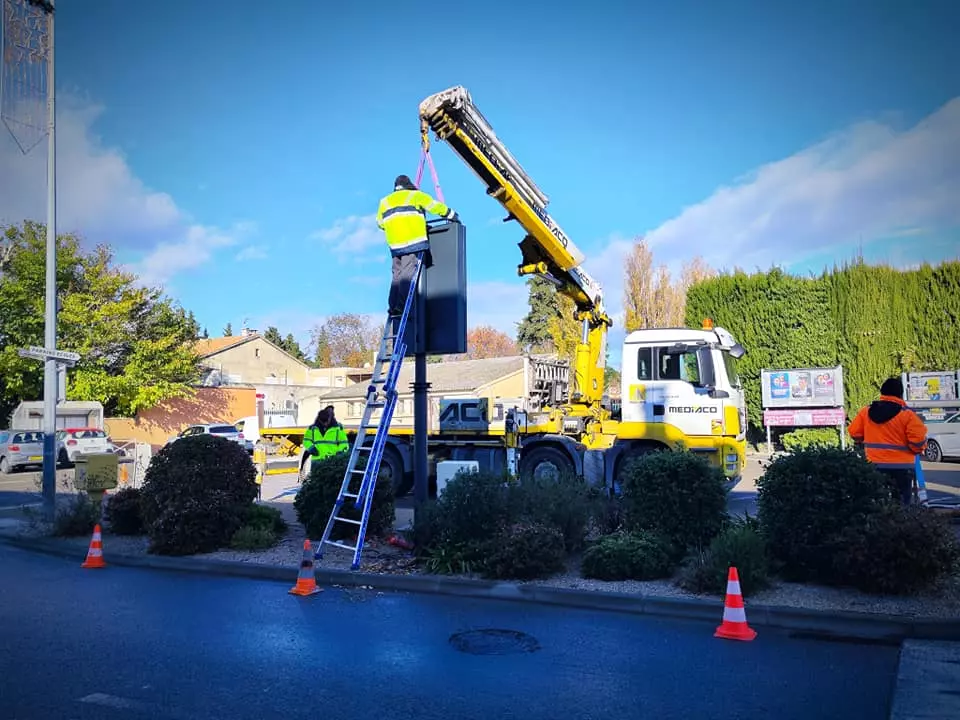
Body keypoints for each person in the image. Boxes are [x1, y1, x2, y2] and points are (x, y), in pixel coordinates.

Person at [376, 174, 458, 325]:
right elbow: (434, 206)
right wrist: (452, 215)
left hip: (395, 245)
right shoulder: (415, 196)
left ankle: (392, 307)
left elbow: (380, 223)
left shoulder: (385, 202)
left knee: (397, 276)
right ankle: (401, 307)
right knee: (407, 275)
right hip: (412, 242)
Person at [848, 377, 928, 505]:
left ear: (882, 393)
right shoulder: (908, 415)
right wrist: (915, 450)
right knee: (902, 503)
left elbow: (854, 433)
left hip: (874, 465)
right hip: (903, 467)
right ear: (900, 394)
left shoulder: (866, 412)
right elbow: (918, 442)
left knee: (877, 503)